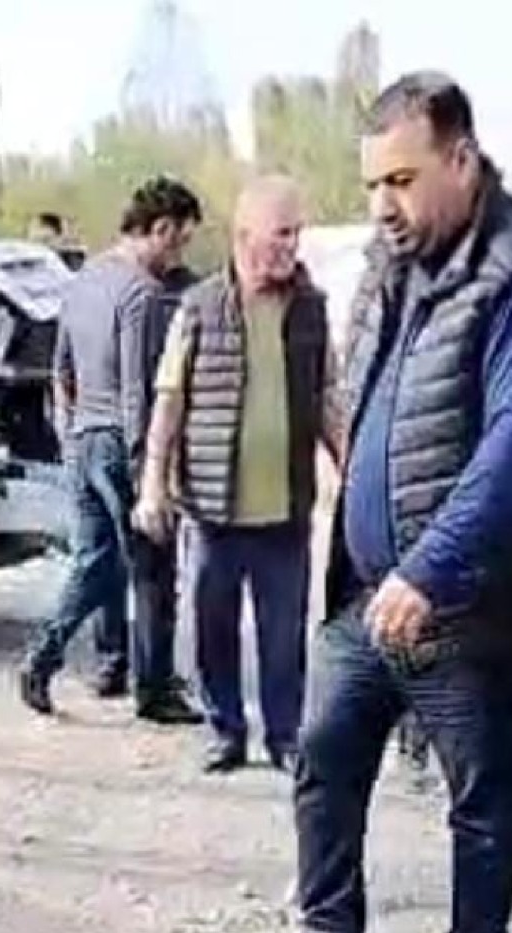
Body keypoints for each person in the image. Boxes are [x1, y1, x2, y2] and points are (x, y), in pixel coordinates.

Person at [266, 73, 512, 933]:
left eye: (401, 181)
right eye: (373, 184)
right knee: (325, 748)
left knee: (478, 788)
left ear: (461, 158)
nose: (383, 205)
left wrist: (433, 564)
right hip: (371, 586)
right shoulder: (391, 263)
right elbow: (364, 398)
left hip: (469, 595)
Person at [136, 174, 345, 773]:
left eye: (296, 233)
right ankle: (225, 730)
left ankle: (284, 737)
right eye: (281, 234)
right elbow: (169, 401)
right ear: (244, 235)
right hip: (213, 509)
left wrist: (349, 467)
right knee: (213, 629)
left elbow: (329, 395)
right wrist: (153, 484)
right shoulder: (198, 308)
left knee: (284, 636)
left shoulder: (311, 308)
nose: (291, 246)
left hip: (285, 509)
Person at [18, 177, 205, 720]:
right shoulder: (140, 294)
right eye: (179, 242)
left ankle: (69, 659)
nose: (178, 257)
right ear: (160, 229)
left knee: (95, 562)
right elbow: (136, 391)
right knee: (151, 568)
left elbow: (61, 369)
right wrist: (150, 473)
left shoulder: (84, 281)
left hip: (82, 437)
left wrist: (69, 435)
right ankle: (154, 688)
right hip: (122, 440)